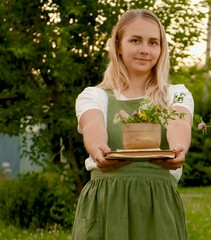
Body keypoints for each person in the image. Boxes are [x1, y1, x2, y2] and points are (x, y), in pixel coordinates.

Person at [71, 9, 193, 240]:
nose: (145, 50)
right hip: (106, 204)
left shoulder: (176, 94)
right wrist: (98, 149)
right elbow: (93, 127)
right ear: (118, 45)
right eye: (135, 40)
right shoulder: (94, 95)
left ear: (161, 48)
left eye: (153, 42)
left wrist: (178, 148)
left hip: (158, 206)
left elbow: (180, 123)